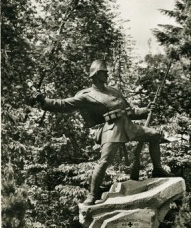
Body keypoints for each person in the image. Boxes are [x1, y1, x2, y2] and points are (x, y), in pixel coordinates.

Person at [33, 59, 170, 205]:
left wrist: (146, 110)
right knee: (104, 161)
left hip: (128, 126)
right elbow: (64, 104)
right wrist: (44, 102)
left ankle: (157, 169)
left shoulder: (114, 91)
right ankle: (92, 195)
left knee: (155, 135)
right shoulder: (87, 95)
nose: (107, 74)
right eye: (104, 72)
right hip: (111, 129)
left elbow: (129, 111)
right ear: (96, 74)